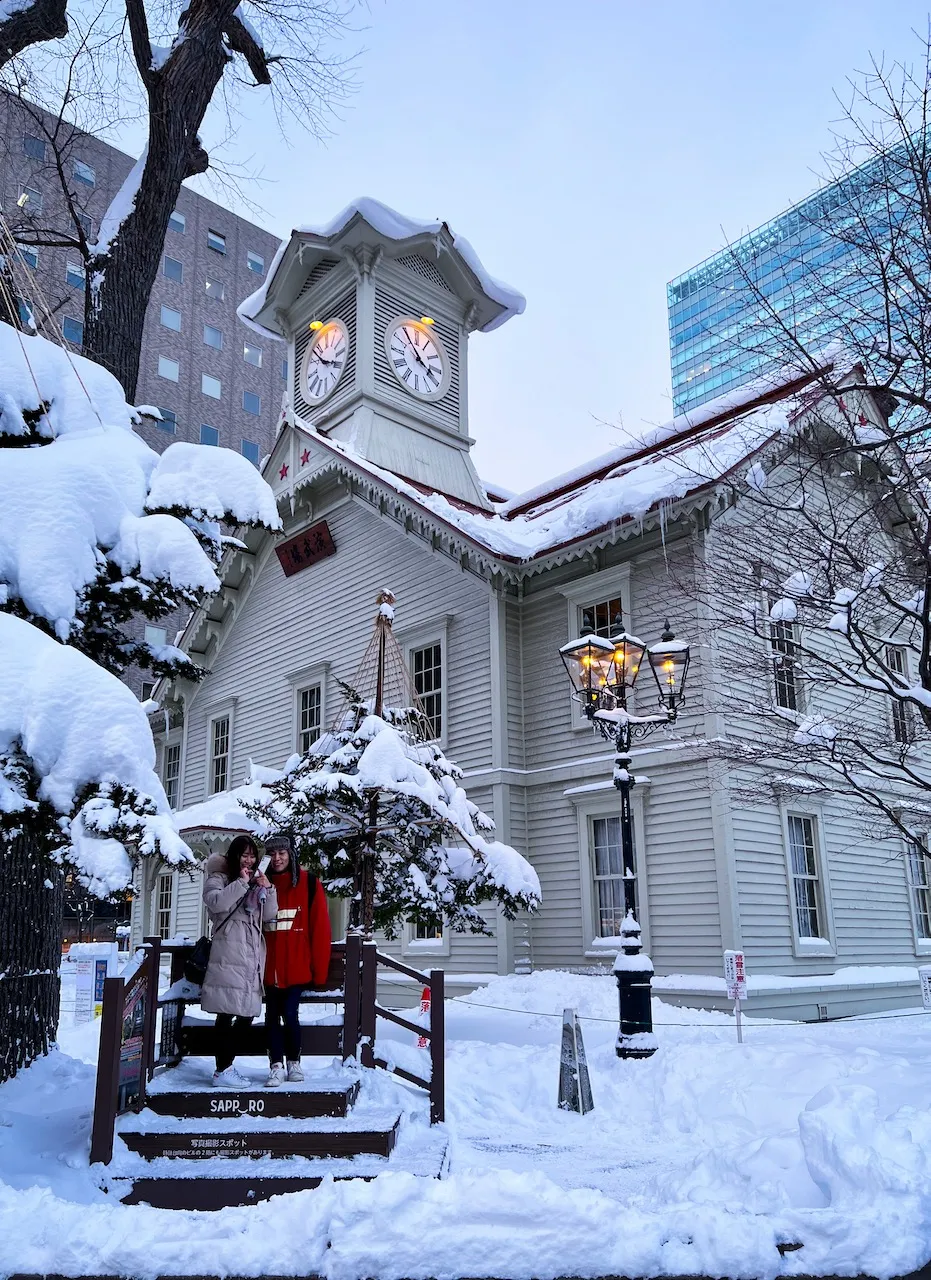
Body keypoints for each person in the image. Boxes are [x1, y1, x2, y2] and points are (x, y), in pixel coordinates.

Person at [201, 834, 277, 1087]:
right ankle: (222, 1069)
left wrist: (268, 888)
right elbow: (215, 903)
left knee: (246, 1013)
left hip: (251, 956)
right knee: (226, 1012)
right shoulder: (219, 878)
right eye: (244, 855)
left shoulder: (255, 882)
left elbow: (268, 915)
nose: (249, 860)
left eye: (252, 856)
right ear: (234, 856)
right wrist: (242, 884)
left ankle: (224, 1068)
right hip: (228, 953)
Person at [262, 832, 331, 1088]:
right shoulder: (260, 884)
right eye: (272, 853)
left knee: (290, 1014)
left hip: (297, 967)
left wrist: (320, 972)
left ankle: (294, 1062)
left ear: (291, 854)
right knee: (271, 1016)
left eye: (282, 852)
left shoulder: (309, 883)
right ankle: (275, 1066)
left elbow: (321, 930)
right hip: (268, 967)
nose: (277, 858)